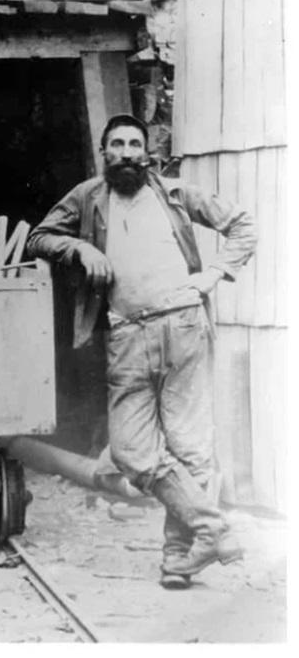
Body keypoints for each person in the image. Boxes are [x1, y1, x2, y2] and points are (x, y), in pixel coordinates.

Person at [26, 114, 256, 589]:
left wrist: (213, 275)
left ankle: (178, 556)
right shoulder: (88, 197)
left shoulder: (175, 193)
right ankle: (211, 528)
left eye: (135, 143)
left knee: (190, 446)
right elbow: (39, 237)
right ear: (103, 152)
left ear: (146, 152)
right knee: (131, 450)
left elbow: (242, 226)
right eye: (117, 144)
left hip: (184, 326)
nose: (127, 151)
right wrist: (77, 249)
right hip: (127, 335)